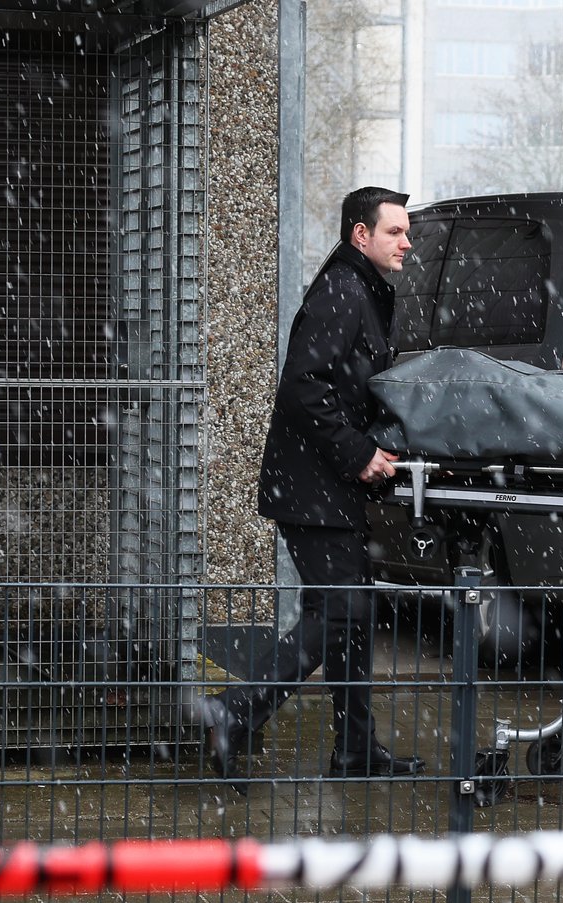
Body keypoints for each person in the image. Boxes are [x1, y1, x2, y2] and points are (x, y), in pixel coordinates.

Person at [191, 187, 425, 780]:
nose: (407, 241)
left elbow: (345, 388)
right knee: (342, 614)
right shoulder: (342, 291)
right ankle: (234, 712)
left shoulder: (362, 291)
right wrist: (358, 454)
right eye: (395, 231)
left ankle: (355, 752)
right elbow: (301, 386)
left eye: (406, 231)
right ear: (360, 236)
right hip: (315, 489)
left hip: (326, 488)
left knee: (349, 614)